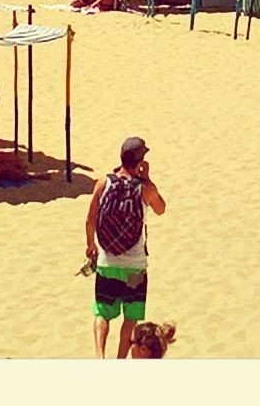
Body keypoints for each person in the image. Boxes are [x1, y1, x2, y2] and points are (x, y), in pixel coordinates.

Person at [86, 135, 166, 357]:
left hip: (107, 262)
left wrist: (90, 245)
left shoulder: (104, 182)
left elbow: (90, 219)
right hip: (135, 267)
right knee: (130, 318)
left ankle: (100, 357)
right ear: (140, 161)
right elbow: (161, 209)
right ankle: (120, 360)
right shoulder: (144, 188)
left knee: (102, 311)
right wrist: (147, 179)